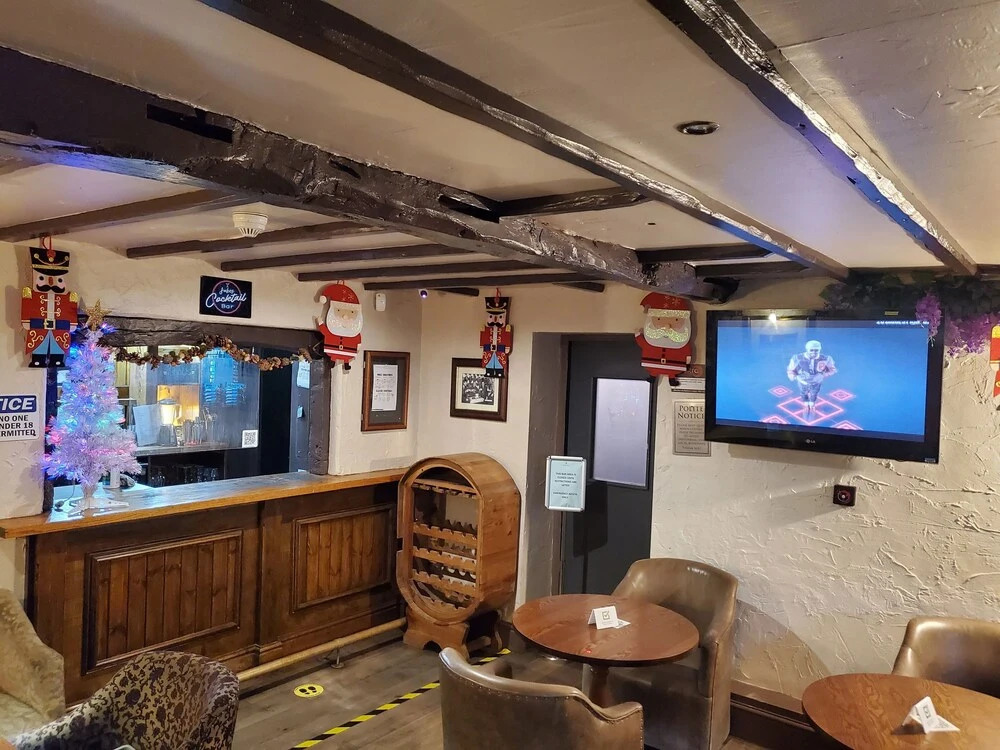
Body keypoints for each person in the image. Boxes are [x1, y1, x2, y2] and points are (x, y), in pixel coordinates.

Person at [787, 340, 837, 415]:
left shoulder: (826, 359)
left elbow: (832, 370)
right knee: (803, 392)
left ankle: (812, 403)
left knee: (814, 393)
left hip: (817, 382)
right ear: (807, 349)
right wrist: (797, 377)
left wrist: (822, 375)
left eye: (816, 350)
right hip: (803, 381)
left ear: (819, 349)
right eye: (811, 350)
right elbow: (791, 370)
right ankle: (805, 402)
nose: (814, 352)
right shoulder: (797, 358)